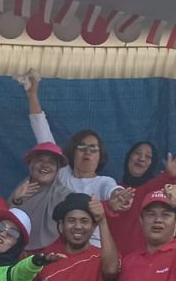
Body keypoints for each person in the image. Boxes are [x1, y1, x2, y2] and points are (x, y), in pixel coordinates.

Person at [21, 74, 121, 243]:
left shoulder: (103, 182)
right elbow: (42, 132)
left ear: (100, 156)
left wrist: (117, 195)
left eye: (93, 148)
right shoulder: (61, 173)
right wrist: (32, 95)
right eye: (82, 147)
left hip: (93, 247)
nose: (87, 152)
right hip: (59, 244)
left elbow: (112, 190)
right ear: (72, 152)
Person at [105, 147, 176, 257]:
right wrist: (110, 207)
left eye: (148, 156)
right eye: (137, 153)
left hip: (145, 261)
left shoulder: (154, 188)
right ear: (128, 157)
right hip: (114, 261)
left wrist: (170, 175)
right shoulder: (111, 191)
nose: (141, 158)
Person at [8, 142, 73, 252]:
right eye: (40, 160)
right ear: (31, 165)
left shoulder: (66, 197)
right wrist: (16, 200)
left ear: (57, 170)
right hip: (13, 254)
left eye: (51, 162)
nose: (45, 165)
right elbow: (4, 225)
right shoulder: (19, 191)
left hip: (51, 255)